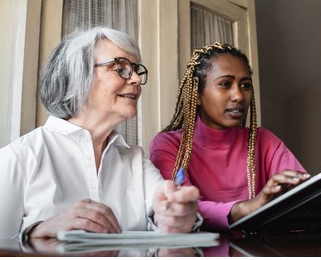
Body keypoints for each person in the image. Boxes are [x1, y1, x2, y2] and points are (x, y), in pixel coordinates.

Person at [0, 27, 200, 239]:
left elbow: (166, 219)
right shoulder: (17, 158)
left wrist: (176, 216)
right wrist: (34, 234)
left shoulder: (136, 162)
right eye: (121, 68)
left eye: (136, 69)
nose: (137, 80)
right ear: (78, 76)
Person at [149, 42, 310, 231]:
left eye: (246, 85)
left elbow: (305, 197)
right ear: (197, 94)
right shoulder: (169, 145)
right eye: (225, 84)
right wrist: (246, 207)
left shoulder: (263, 140)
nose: (239, 96)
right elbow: (179, 207)